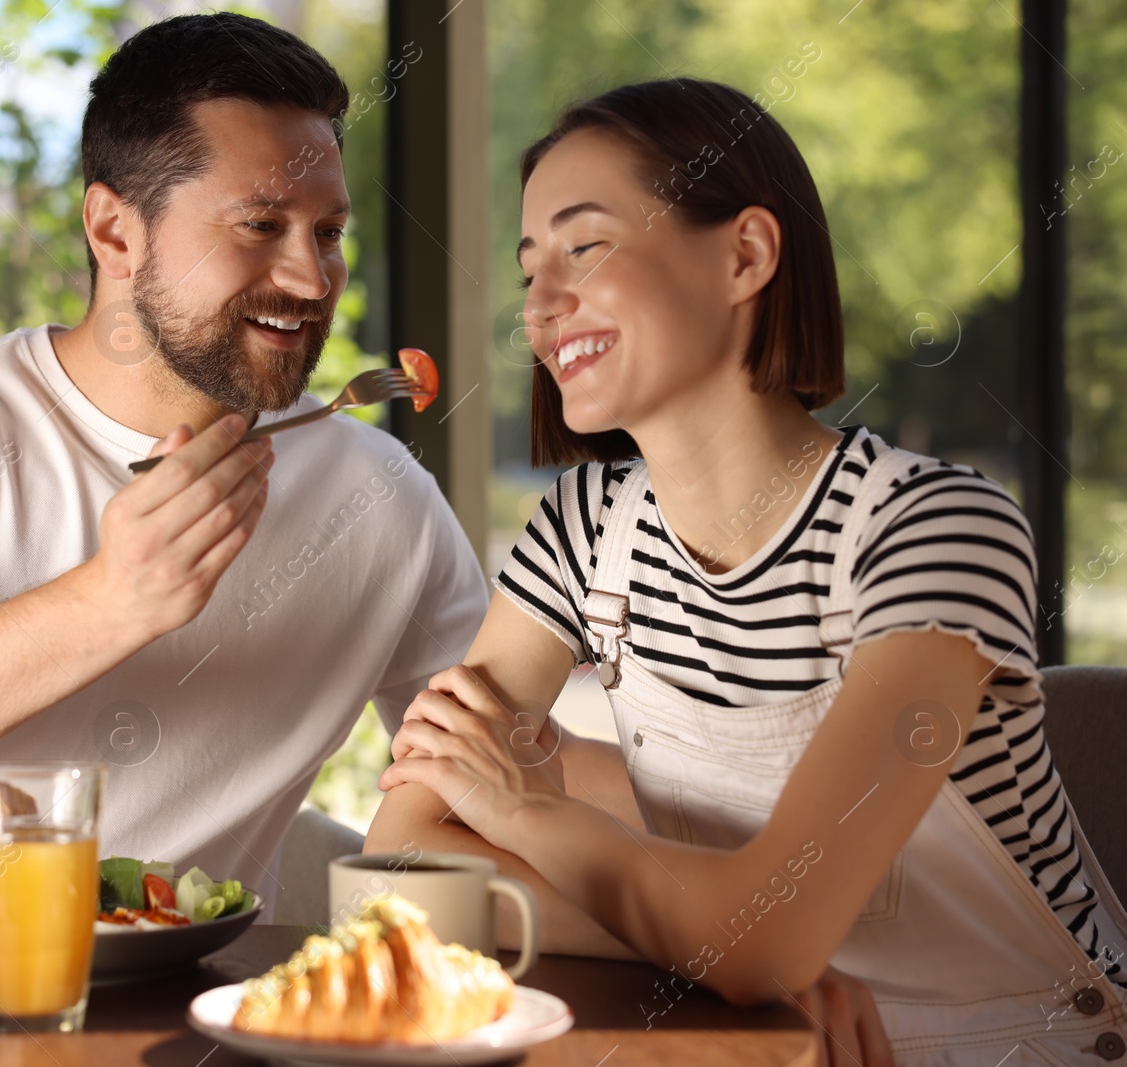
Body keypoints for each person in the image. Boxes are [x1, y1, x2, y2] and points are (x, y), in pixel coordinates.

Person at [366, 78, 1127, 1067]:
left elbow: (764, 927)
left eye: (583, 248)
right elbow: (400, 858)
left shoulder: (936, 528)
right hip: (757, 1037)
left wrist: (523, 809)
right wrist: (734, 952)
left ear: (744, 254)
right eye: (527, 270)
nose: (540, 307)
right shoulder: (578, 530)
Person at [0, 12, 489, 966]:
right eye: (261, 226)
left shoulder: (381, 500)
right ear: (114, 230)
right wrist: (107, 602)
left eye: (327, 231)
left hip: (160, 1036)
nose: (310, 275)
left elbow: (497, 781)